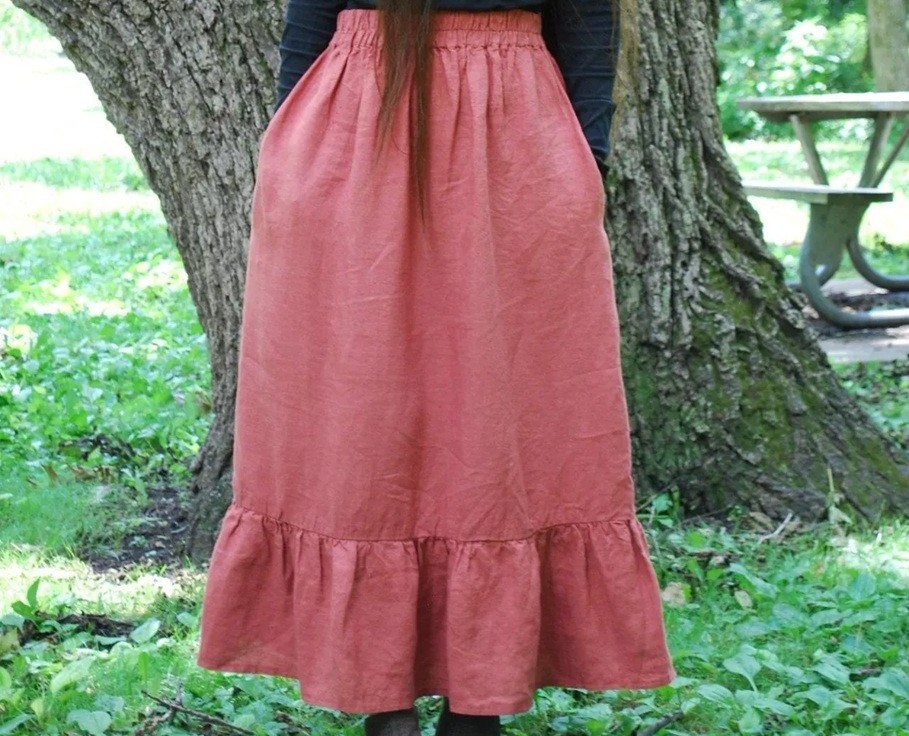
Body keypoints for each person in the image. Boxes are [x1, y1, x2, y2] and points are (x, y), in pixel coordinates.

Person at [196, 1, 677, 735]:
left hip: (515, 144)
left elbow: (585, 19)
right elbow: (310, 20)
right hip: (353, 134)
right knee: (363, 421)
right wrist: (291, 158)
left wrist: (583, 161)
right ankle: (381, 705)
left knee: (493, 422)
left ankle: (477, 705)